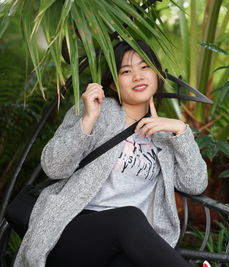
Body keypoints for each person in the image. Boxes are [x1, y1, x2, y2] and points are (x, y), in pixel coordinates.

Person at [13, 40, 209, 267]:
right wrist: (87, 121)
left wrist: (181, 131)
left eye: (145, 67)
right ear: (114, 84)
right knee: (128, 218)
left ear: (156, 75)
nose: (137, 76)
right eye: (126, 71)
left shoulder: (164, 135)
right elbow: (54, 167)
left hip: (124, 243)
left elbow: (195, 184)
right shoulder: (97, 111)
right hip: (69, 229)